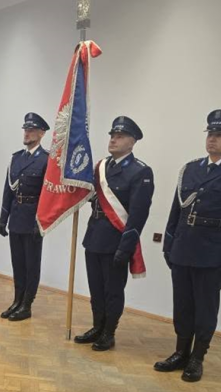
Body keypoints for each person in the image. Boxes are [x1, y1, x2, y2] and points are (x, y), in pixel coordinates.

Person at [154, 110, 221, 382]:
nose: (212, 139)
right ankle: (180, 352)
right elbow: (176, 210)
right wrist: (169, 245)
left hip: (214, 251)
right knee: (182, 305)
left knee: (205, 308)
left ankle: (197, 357)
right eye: (210, 134)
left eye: (220, 134)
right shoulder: (191, 168)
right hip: (183, 247)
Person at [74, 116, 154, 350]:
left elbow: (138, 216)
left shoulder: (140, 172)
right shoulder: (101, 166)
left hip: (116, 240)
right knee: (96, 288)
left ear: (132, 142)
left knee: (113, 291)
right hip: (94, 236)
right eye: (112, 135)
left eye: (119, 136)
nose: (113, 140)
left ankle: (109, 332)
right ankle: (97, 326)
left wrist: (125, 248)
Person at [0, 112, 50, 321]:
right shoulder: (16, 158)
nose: (26, 133)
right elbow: (8, 190)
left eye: (31, 130)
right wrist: (3, 219)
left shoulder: (46, 160)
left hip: (33, 219)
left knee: (31, 264)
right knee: (18, 263)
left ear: (41, 133)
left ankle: (27, 304)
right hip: (17, 217)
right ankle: (17, 300)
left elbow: (47, 196)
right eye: (25, 130)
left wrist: (41, 222)